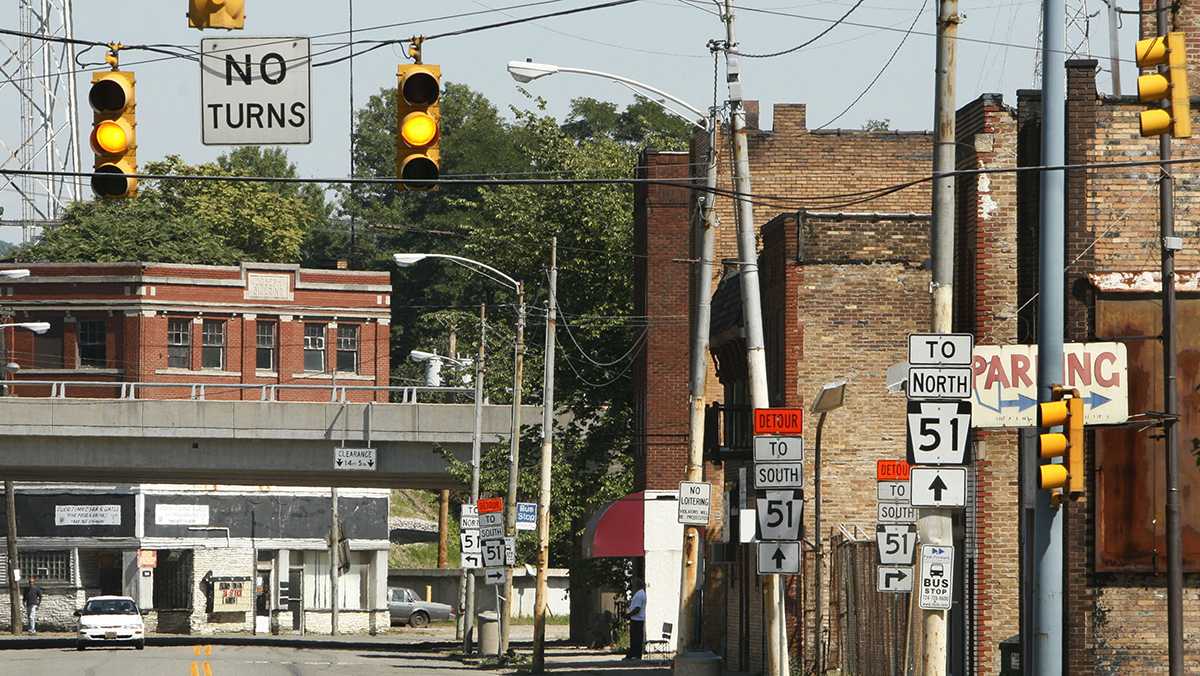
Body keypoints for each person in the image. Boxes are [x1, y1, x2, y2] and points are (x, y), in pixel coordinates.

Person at [623, 578, 646, 661]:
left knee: (636, 638)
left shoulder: (640, 594)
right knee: (635, 638)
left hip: (637, 619)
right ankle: (633, 653)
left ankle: (636, 654)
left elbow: (637, 609)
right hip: (636, 619)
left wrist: (628, 615)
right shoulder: (639, 593)